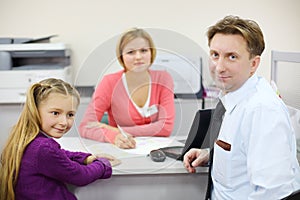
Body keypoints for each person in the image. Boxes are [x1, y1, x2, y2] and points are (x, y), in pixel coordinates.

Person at [183, 15, 300, 199]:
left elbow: (273, 194)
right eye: (215, 55)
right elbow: (240, 149)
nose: (219, 67)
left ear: (253, 64)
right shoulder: (231, 96)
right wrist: (212, 155)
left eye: (232, 57)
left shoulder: (262, 111)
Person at [0, 78, 113, 200]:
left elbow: (60, 155)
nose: (64, 122)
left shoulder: (27, 139)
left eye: (70, 115)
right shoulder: (43, 148)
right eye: (55, 113)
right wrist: (102, 165)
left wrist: (86, 158)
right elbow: (80, 176)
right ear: (35, 112)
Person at [79, 28, 175, 149]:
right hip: (122, 149)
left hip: (157, 151)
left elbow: (165, 128)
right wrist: (113, 136)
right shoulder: (109, 82)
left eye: (144, 50)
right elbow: (86, 125)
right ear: (121, 57)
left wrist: (118, 130)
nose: (138, 57)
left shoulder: (163, 79)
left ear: (152, 53)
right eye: (131, 52)